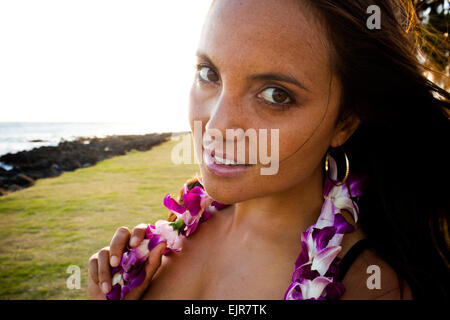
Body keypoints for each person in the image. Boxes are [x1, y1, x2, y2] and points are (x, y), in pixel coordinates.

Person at [88, 0, 449, 300]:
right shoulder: (162, 246)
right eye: (209, 73)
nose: (216, 127)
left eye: (276, 95)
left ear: (346, 122)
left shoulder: (370, 288)